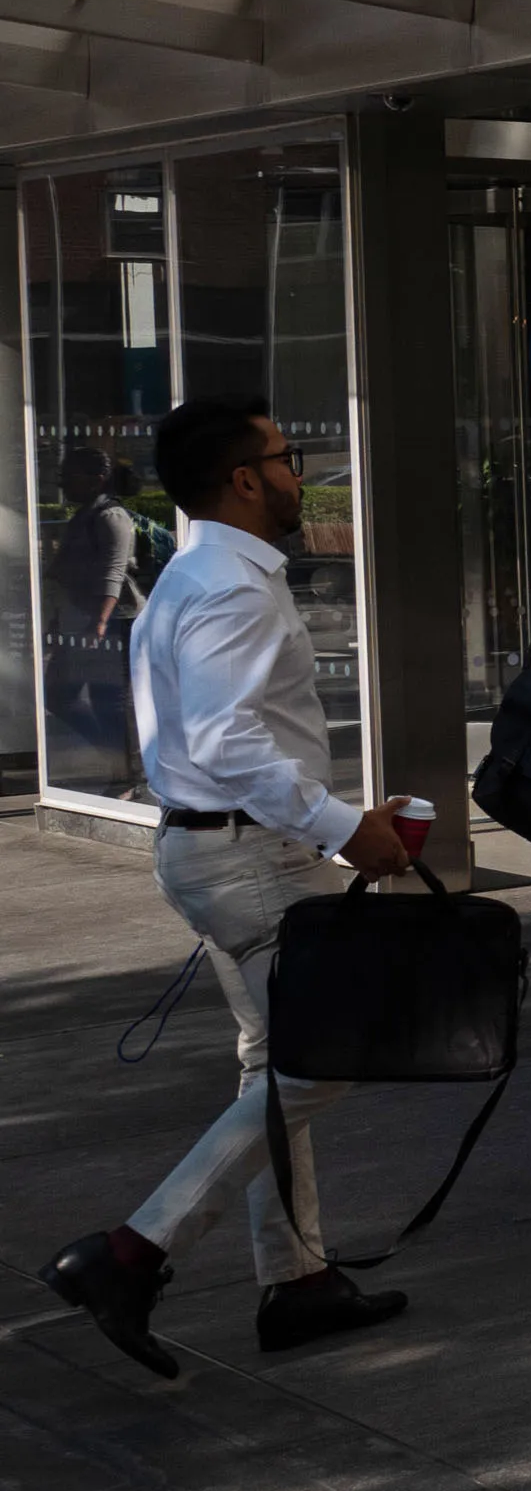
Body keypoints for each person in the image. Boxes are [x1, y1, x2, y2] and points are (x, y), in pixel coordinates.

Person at [39, 400, 418, 1379]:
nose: (301, 472)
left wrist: (329, 820)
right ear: (245, 479)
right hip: (250, 859)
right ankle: (132, 1252)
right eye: (288, 457)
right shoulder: (230, 587)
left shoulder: (195, 573)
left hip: (220, 848)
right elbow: (226, 741)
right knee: (324, 1058)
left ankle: (296, 1281)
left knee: (272, 1063)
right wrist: (345, 827)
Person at [41, 445, 141, 760]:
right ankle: (115, 758)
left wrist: (100, 622)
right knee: (60, 695)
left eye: (70, 476)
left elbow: (113, 571)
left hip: (111, 620)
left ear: (97, 480)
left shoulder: (111, 516)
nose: (63, 483)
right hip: (83, 620)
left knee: (108, 700)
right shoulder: (85, 516)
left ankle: (125, 769)